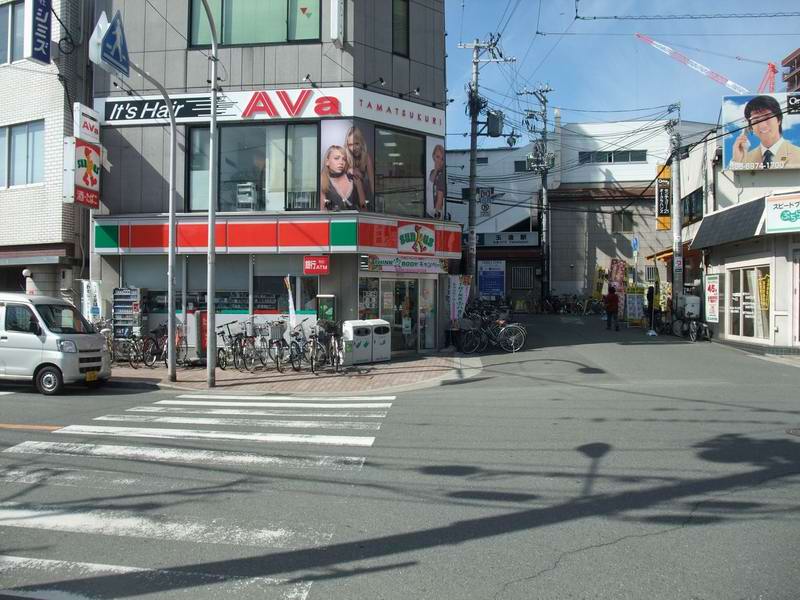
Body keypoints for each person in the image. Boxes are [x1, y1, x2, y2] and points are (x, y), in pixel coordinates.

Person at [732, 95, 800, 170]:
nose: (762, 125)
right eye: (756, 120)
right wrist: (737, 160)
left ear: (779, 119)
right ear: (751, 127)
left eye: (767, 118)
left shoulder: (797, 154)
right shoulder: (745, 159)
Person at [320, 145, 366, 211]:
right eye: (336, 158)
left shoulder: (354, 178)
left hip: (355, 220)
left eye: (344, 159)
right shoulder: (323, 180)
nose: (341, 162)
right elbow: (322, 210)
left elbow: (364, 206)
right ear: (327, 162)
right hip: (333, 221)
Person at [345, 127, 374, 207]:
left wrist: (376, 202)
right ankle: (363, 206)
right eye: (350, 145)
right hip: (348, 196)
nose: (353, 148)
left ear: (361, 142)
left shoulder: (366, 157)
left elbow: (372, 182)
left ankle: (363, 206)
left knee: (358, 179)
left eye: (356, 144)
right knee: (356, 178)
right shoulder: (345, 157)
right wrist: (349, 170)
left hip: (363, 193)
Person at [428, 144, 446, 219]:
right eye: (437, 157)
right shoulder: (433, 172)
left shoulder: (442, 174)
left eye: (442, 159)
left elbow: (440, 197)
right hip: (430, 210)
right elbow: (430, 183)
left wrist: (436, 214)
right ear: (433, 156)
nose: (439, 161)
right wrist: (435, 170)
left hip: (437, 212)